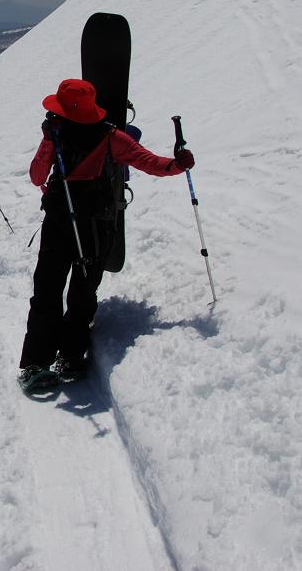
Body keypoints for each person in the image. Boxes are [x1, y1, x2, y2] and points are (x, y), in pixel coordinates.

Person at [18, 79, 194, 391]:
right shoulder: (110, 136)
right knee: (83, 293)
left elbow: (36, 177)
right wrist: (176, 165)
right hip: (97, 227)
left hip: (59, 224)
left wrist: (47, 142)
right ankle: (70, 357)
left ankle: (34, 363)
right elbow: (146, 161)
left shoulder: (55, 136)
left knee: (46, 290)